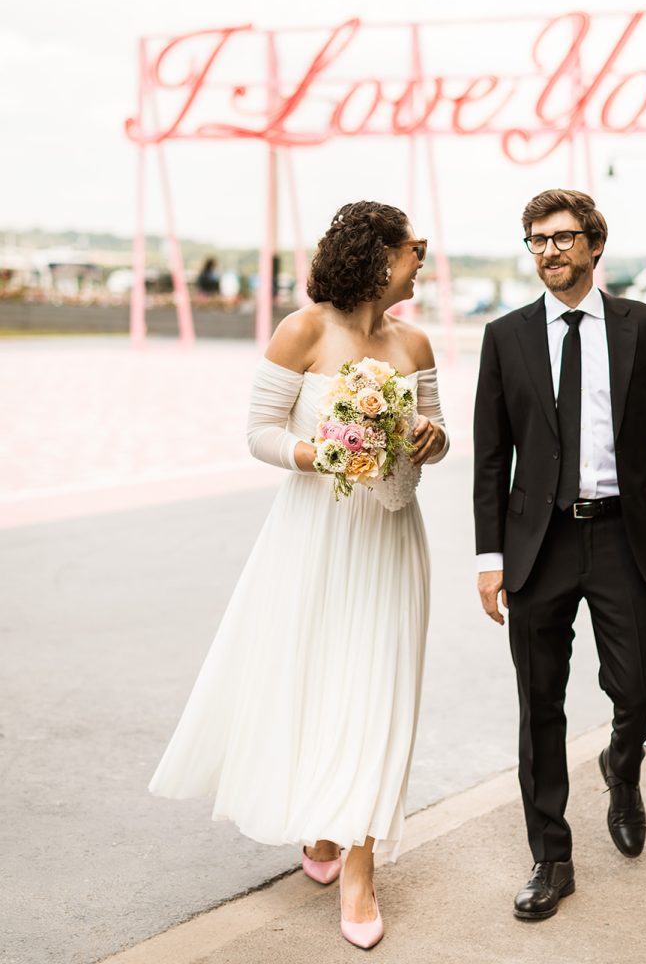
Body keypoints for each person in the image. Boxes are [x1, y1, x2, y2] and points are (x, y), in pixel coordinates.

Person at [150, 201, 448, 950]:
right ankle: (321, 826)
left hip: (391, 538)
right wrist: (327, 455)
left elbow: (435, 442)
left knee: (381, 691)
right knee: (318, 683)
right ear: (379, 256)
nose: (425, 258)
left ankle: (360, 867)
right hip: (314, 532)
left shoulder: (416, 341)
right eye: (416, 247)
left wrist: (431, 437)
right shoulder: (303, 329)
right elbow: (259, 434)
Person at [473, 189, 646, 922]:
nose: (550, 250)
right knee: (539, 702)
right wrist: (489, 556)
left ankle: (622, 761)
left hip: (619, 534)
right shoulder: (506, 336)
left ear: (594, 244)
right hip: (536, 545)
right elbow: (490, 458)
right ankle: (551, 856)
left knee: (639, 686)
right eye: (537, 240)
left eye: (564, 237)